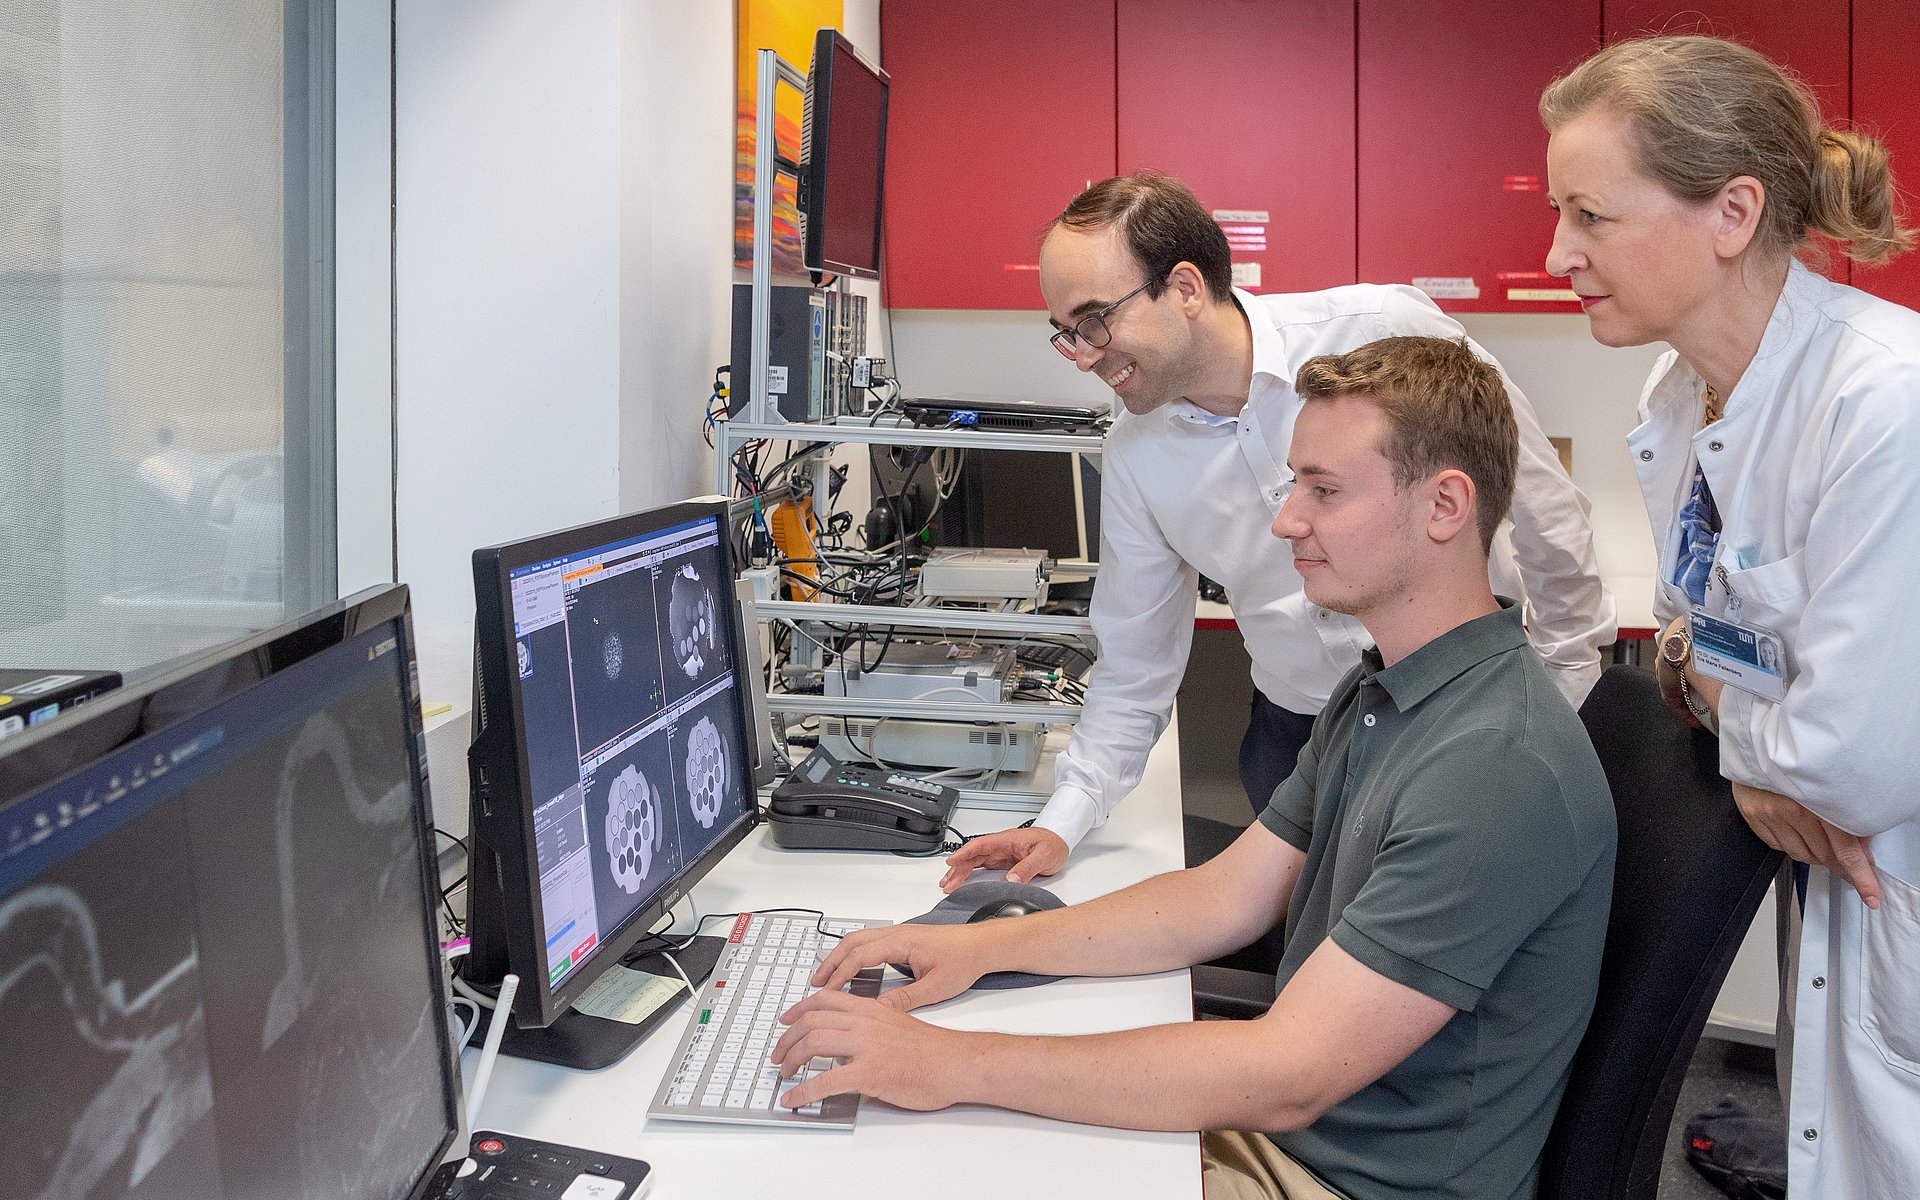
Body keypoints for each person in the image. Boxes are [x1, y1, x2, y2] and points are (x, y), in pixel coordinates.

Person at [777, 336, 1617, 1200]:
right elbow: (1226, 896)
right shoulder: (1388, 691)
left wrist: (951, 1061)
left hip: (1340, 1180)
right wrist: (983, 949)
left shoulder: (1493, 767)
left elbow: (1291, 1073)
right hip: (1286, 1141)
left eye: (1324, 491)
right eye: (1296, 483)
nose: (1288, 519)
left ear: (1445, 505)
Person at [940, 171, 1613, 894]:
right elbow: (1135, 668)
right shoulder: (1137, 453)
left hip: (1458, 719)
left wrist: (1566, 690)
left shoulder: (1376, 331)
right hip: (1297, 743)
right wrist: (1061, 821)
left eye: (1095, 319)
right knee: (1310, 955)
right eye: (1065, 333)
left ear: (1188, 289)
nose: (1083, 353)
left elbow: (1544, 508)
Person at [1541, 33, 1920, 1195]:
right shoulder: (1684, 393)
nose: (1557, 253)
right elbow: (1683, 636)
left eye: (1590, 216)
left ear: (1733, 211)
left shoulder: (1882, 406)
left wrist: (1748, 739)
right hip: (1843, 882)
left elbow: (1846, 769)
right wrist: (1744, 716)